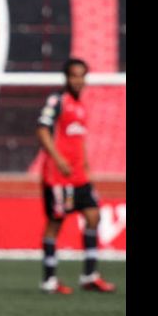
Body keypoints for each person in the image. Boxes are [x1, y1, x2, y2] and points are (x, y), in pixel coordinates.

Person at [36, 58, 116, 294]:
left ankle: (89, 275)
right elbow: (42, 129)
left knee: (93, 216)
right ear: (66, 77)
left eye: (81, 76)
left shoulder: (81, 105)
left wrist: (86, 166)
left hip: (79, 175)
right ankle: (49, 280)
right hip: (58, 176)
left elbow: (78, 139)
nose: (78, 80)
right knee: (55, 224)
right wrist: (58, 159)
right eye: (73, 75)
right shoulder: (57, 100)